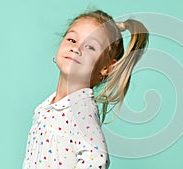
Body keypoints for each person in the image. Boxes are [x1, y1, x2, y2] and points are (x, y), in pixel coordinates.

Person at [22, 9, 149, 169]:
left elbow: (97, 159)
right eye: (72, 40)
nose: (76, 48)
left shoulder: (80, 109)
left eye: (90, 46)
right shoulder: (46, 107)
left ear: (107, 67)